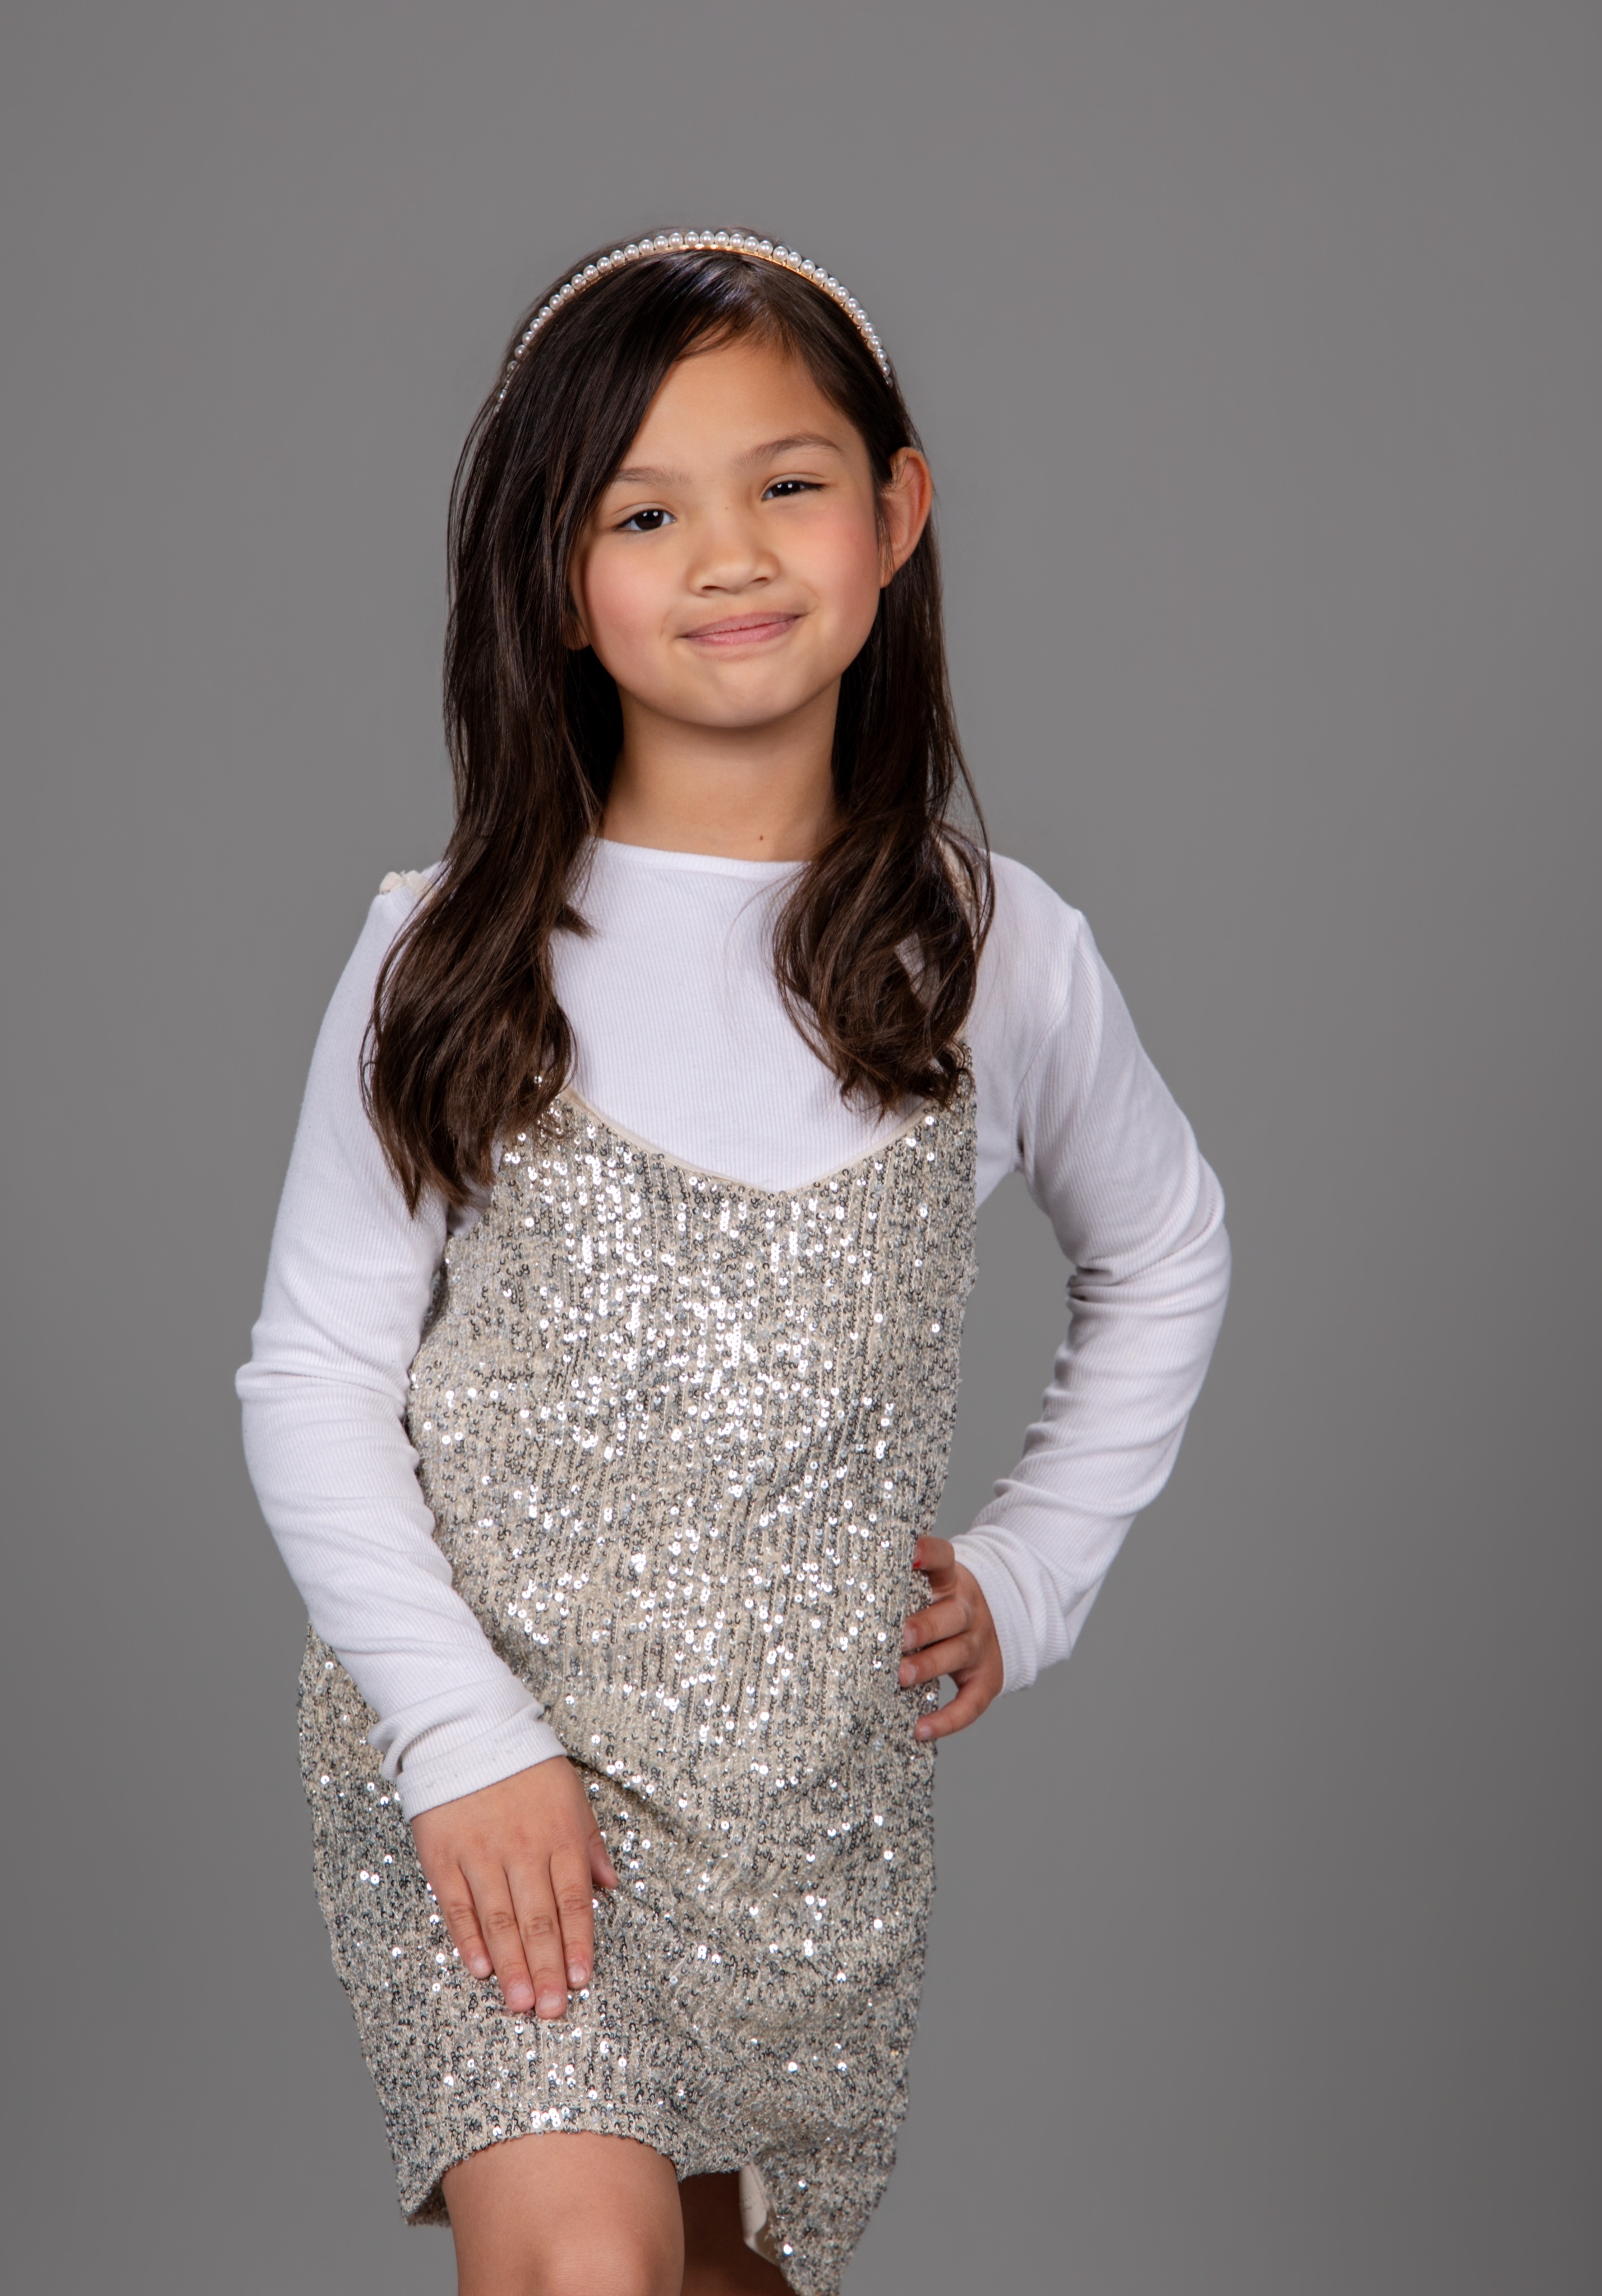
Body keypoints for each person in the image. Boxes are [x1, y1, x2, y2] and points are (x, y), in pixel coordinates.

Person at [237, 230, 1230, 2296]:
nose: (728, 555)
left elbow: (1165, 1247)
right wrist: (458, 1733)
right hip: (490, 1764)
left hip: (805, 1816)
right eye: (641, 513)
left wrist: (1033, 1570)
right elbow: (312, 1374)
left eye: (786, 483)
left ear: (897, 510)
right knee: (582, 2263)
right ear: (554, 579)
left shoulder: (992, 947)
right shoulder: (448, 951)